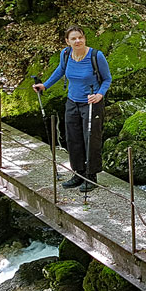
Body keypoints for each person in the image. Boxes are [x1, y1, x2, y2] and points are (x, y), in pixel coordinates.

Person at [33, 26, 112, 192]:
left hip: (92, 103)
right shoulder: (66, 54)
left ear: (84, 39)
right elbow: (60, 70)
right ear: (67, 41)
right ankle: (79, 173)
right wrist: (45, 85)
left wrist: (100, 95)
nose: (78, 41)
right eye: (74, 39)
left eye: (80, 38)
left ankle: (91, 176)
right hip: (72, 102)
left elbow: (107, 79)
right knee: (73, 139)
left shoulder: (96, 56)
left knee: (91, 139)